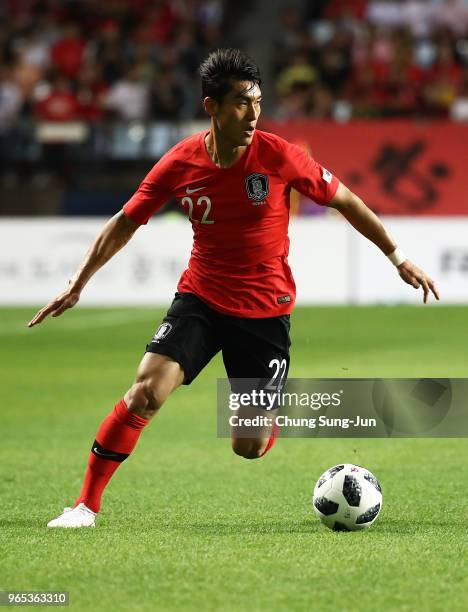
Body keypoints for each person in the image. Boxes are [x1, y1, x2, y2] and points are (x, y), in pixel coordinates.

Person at [28, 48, 439, 528]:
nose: (253, 113)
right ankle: (85, 506)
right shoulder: (180, 163)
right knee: (146, 390)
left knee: (249, 445)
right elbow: (125, 221)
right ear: (212, 107)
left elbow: (345, 200)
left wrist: (398, 258)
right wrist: (77, 284)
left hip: (265, 310)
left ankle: (267, 414)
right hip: (200, 298)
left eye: (258, 101)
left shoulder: (279, 155)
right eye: (242, 102)